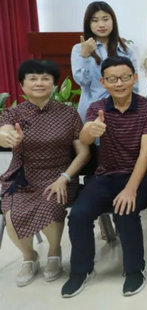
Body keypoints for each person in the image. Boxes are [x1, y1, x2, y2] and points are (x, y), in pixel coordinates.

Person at [61, 56, 147, 298]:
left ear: (134, 78)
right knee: (78, 215)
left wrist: (130, 189)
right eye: (112, 79)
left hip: (144, 176)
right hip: (106, 176)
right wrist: (90, 130)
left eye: (125, 77)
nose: (119, 83)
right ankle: (81, 270)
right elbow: (85, 139)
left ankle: (134, 270)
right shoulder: (96, 108)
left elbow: (146, 151)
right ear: (103, 82)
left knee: (125, 210)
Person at [0, 59, 90, 287]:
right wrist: (8, 137)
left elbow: (83, 153)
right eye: (32, 78)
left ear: (53, 84)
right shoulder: (13, 114)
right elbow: (4, 132)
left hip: (60, 175)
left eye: (45, 78)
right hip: (23, 177)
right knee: (11, 214)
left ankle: (54, 251)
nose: (39, 83)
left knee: (51, 205)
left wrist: (65, 177)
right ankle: (29, 257)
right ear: (22, 85)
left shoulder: (68, 114)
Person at [71, 1, 138, 121]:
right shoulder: (79, 49)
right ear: (88, 24)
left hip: (122, 111)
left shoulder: (127, 49)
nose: (101, 25)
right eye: (95, 20)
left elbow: (134, 85)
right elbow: (83, 81)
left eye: (105, 19)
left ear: (113, 21)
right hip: (92, 111)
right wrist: (85, 56)